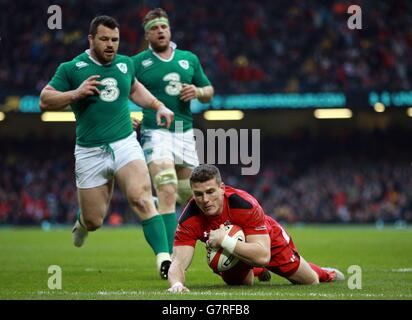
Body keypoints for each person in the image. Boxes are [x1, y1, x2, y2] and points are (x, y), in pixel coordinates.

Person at [39, 15, 175, 279]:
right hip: (90, 151)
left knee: (142, 198)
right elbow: (45, 100)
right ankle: (83, 223)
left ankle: (164, 260)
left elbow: (134, 89)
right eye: (104, 39)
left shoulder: (125, 64)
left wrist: (158, 105)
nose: (111, 45)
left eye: (115, 40)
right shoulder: (72, 68)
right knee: (95, 220)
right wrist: (75, 94)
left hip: (125, 144)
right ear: (91, 39)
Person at [167, 164, 345, 293]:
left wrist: (224, 240)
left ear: (222, 189)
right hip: (233, 250)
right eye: (198, 194)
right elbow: (179, 262)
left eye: (210, 192)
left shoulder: (245, 205)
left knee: (310, 281)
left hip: (266, 240)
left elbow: (263, 255)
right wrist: (176, 284)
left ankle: (324, 273)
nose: (205, 200)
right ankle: (255, 270)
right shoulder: (189, 217)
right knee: (242, 286)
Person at [131, 8, 214, 256]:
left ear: (169, 30)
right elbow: (120, 93)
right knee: (167, 187)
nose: (160, 31)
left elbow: (209, 90)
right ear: (147, 34)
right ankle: (167, 259)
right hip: (155, 131)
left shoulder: (189, 59)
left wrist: (197, 92)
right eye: (155, 28)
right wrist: (128, 118)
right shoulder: (136, 63)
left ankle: (156, 206)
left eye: (163, 27)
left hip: (185, 133)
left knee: (195, 196)